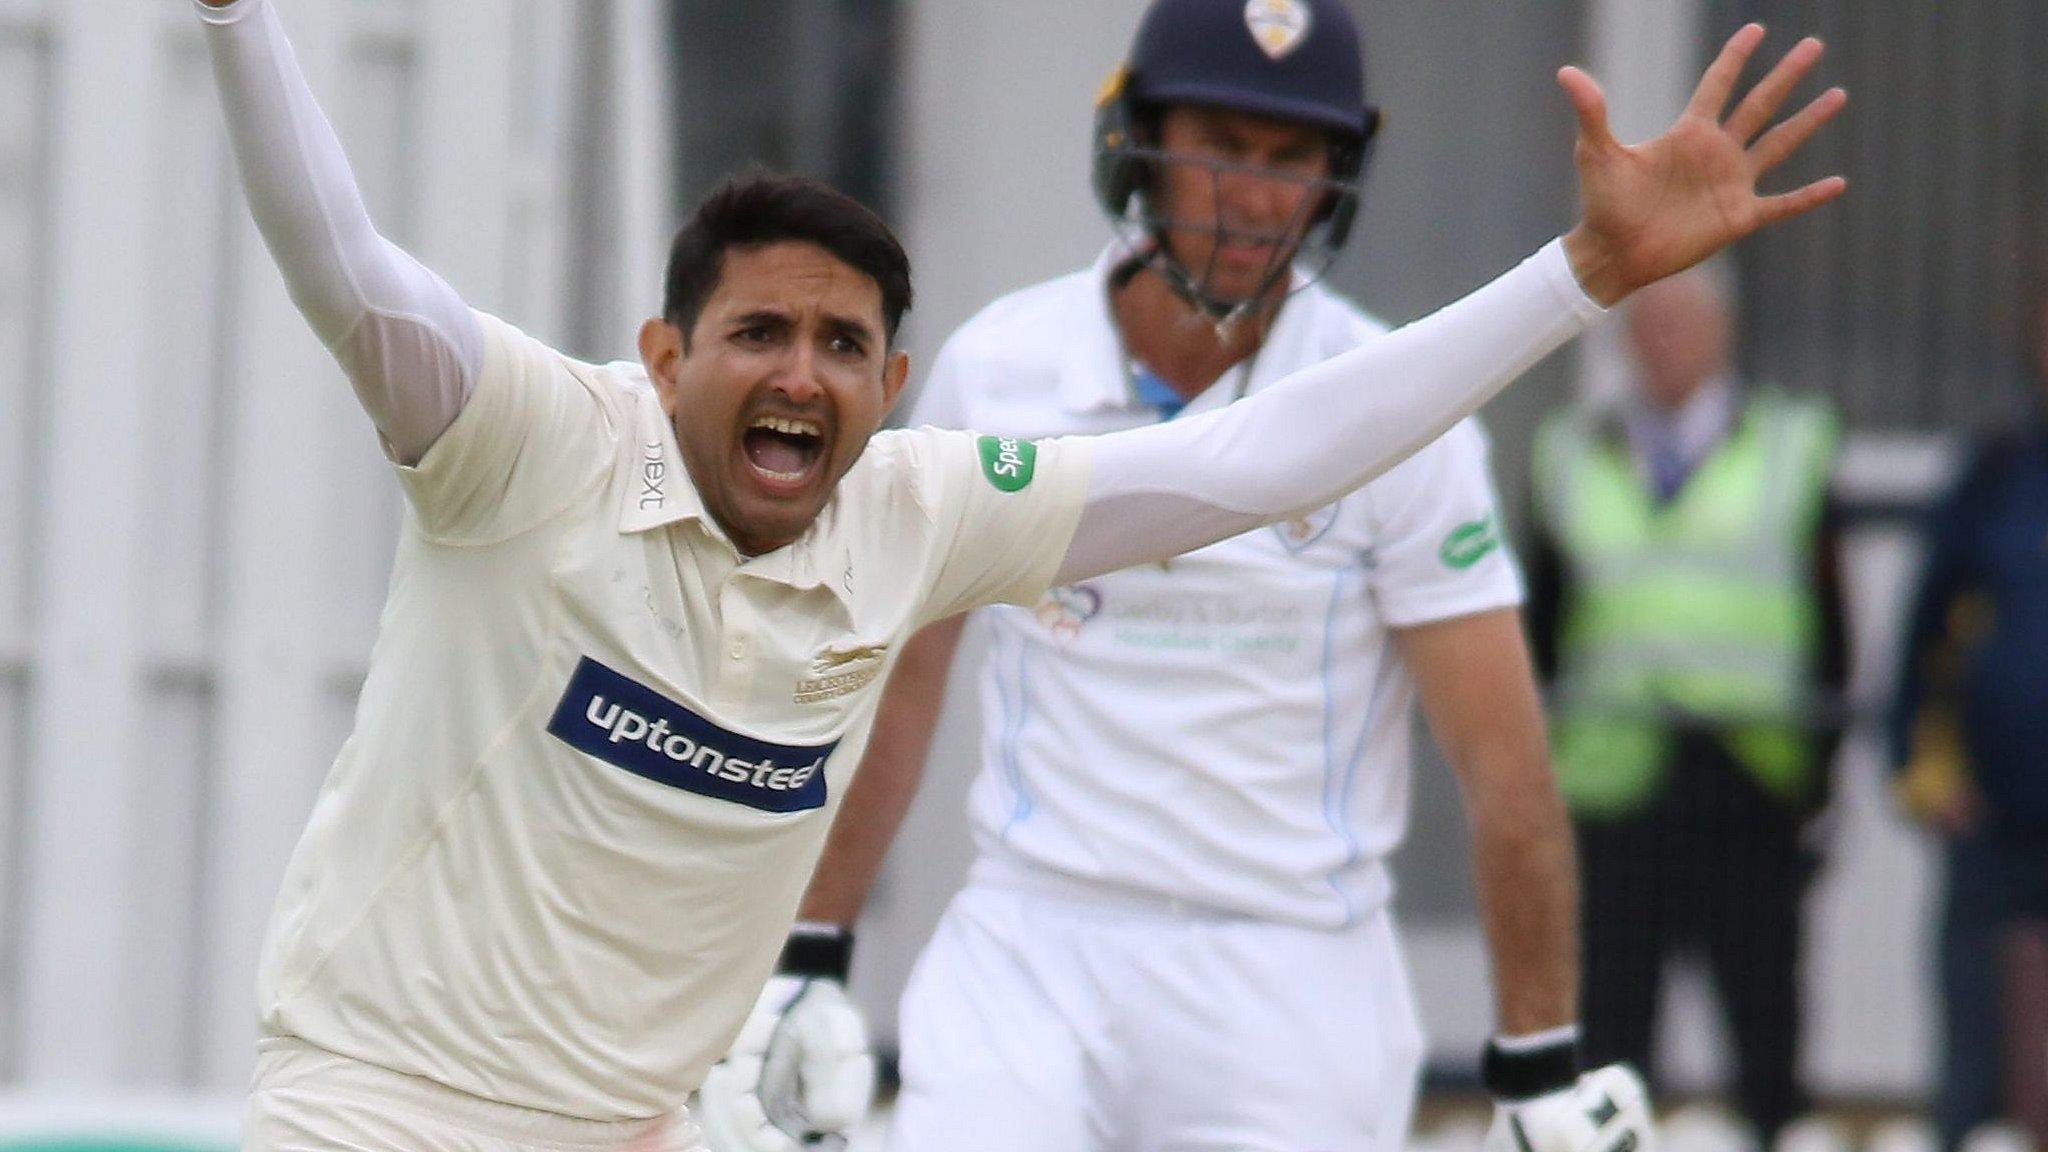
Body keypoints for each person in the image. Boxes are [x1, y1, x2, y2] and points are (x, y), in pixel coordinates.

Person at [192, 0, 1847, 1147]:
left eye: (842, 344)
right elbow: (341, 262)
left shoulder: (917, 501)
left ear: (890, 387)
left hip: (690, 1104)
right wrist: (240, 23)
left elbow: (1258, 464)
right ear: (658, 354)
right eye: (755, 332)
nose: (799, 374)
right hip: (397, 1093)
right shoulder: (535, 435)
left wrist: (1581, 275)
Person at [702, 2, 1574, 1149]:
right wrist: (806, 953)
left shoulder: (1391, 406)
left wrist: (1538, 1064)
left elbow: (1502, 767)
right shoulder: (1001, 371)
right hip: (1033, 938)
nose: (1254, 198)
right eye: (1217, 147)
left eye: (1289, 160)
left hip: (1290, 961)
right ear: (1136, 145)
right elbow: (893, 685)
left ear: (1335, 175)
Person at [1523, 261, 1851, 1147]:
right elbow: (1542, 628)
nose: (1664, 344)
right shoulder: (1570, 453)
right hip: (1614, 779)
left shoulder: (1791, 447)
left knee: (1765, 1019)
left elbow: (1831, 628)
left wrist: (1820, 781)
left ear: (1724, 333)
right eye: (1647, 325)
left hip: (1746, 775)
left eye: (1683, 323)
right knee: (1613, 1026)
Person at [1888, 290, 2048, 1152]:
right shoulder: (1994, 471)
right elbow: (1923, 639)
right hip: (1994, 823)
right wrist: (1921, 775)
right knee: (1976, 1068)